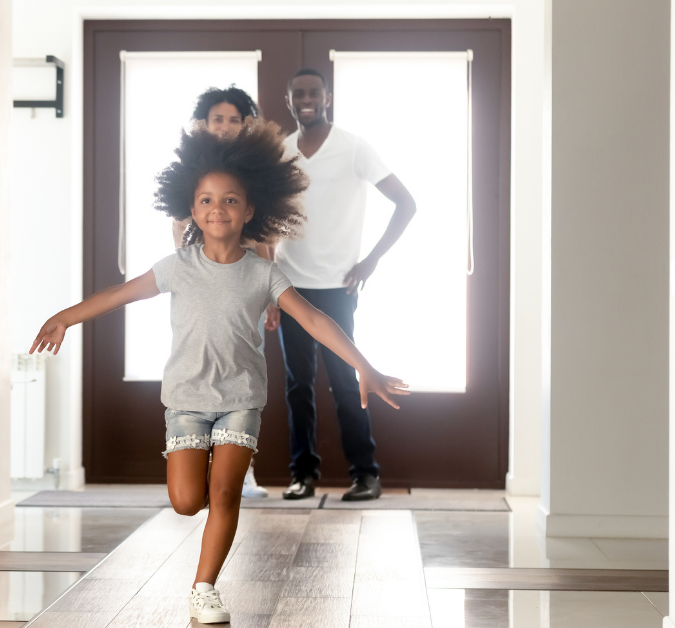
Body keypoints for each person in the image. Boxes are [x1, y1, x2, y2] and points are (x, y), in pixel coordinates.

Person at [30, 121, 408, 624]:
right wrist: (64, 317)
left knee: (224, 492)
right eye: (206, 200)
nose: (217, 209)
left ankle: (204, 587)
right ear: (192, 210)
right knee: (188, 501)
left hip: (240, 398)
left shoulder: (264, 272)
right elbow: (118, 295)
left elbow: (316, 319)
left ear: (250, 210)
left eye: (230, 200)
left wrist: (366, 366)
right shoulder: (175, 266)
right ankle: (205, 493)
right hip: (186, 400)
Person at [270, 68, 418, 502]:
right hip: (289, 284)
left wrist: (371, 261)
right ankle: (303, 475)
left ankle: (365, 474)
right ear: (289, 99)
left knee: (345, 379)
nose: (307, 99)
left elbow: (407, 204)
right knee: (298, 386)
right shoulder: (280, 152)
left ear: (327, 97)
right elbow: (264, 222)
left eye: (314, 92)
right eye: (299, 93)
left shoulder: (353, 148)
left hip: (337, 287)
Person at [173, 85, 272, 499]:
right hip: (201, 280)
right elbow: (180, 225)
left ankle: (239, 467)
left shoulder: (257, 168)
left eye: (236, 119)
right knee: (200, 363)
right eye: (219, 119)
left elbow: (267, 234)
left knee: (242, 370)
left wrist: (270, 291)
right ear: (204, 124)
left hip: (247, 284)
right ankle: (200, 452)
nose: (227, 126)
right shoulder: (191, 169)